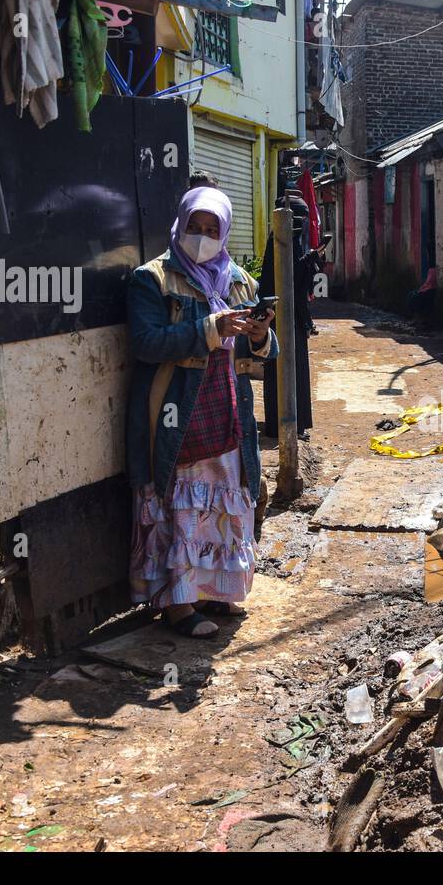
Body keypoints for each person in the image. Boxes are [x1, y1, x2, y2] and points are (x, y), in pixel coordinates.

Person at [126, 187, 277, 638]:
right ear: (181, 224)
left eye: (213, 230)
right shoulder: (151, 279)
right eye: (195, 227)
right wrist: (210, 328)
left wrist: (257, 335)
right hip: (175, 409)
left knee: (223, 499)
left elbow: (262, 356)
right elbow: (146, 343)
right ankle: (179, 604)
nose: (203, 237)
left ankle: (215, 590)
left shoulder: (237, 280)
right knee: (182, 504)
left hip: (227, 406)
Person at [259, 187, 315, 440]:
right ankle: (284, 425)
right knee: (283, 372)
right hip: (281, 318)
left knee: (293, 372)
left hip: (288, 318)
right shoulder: (280, 243)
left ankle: (293, 425)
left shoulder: (286, 242)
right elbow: (287, 280)